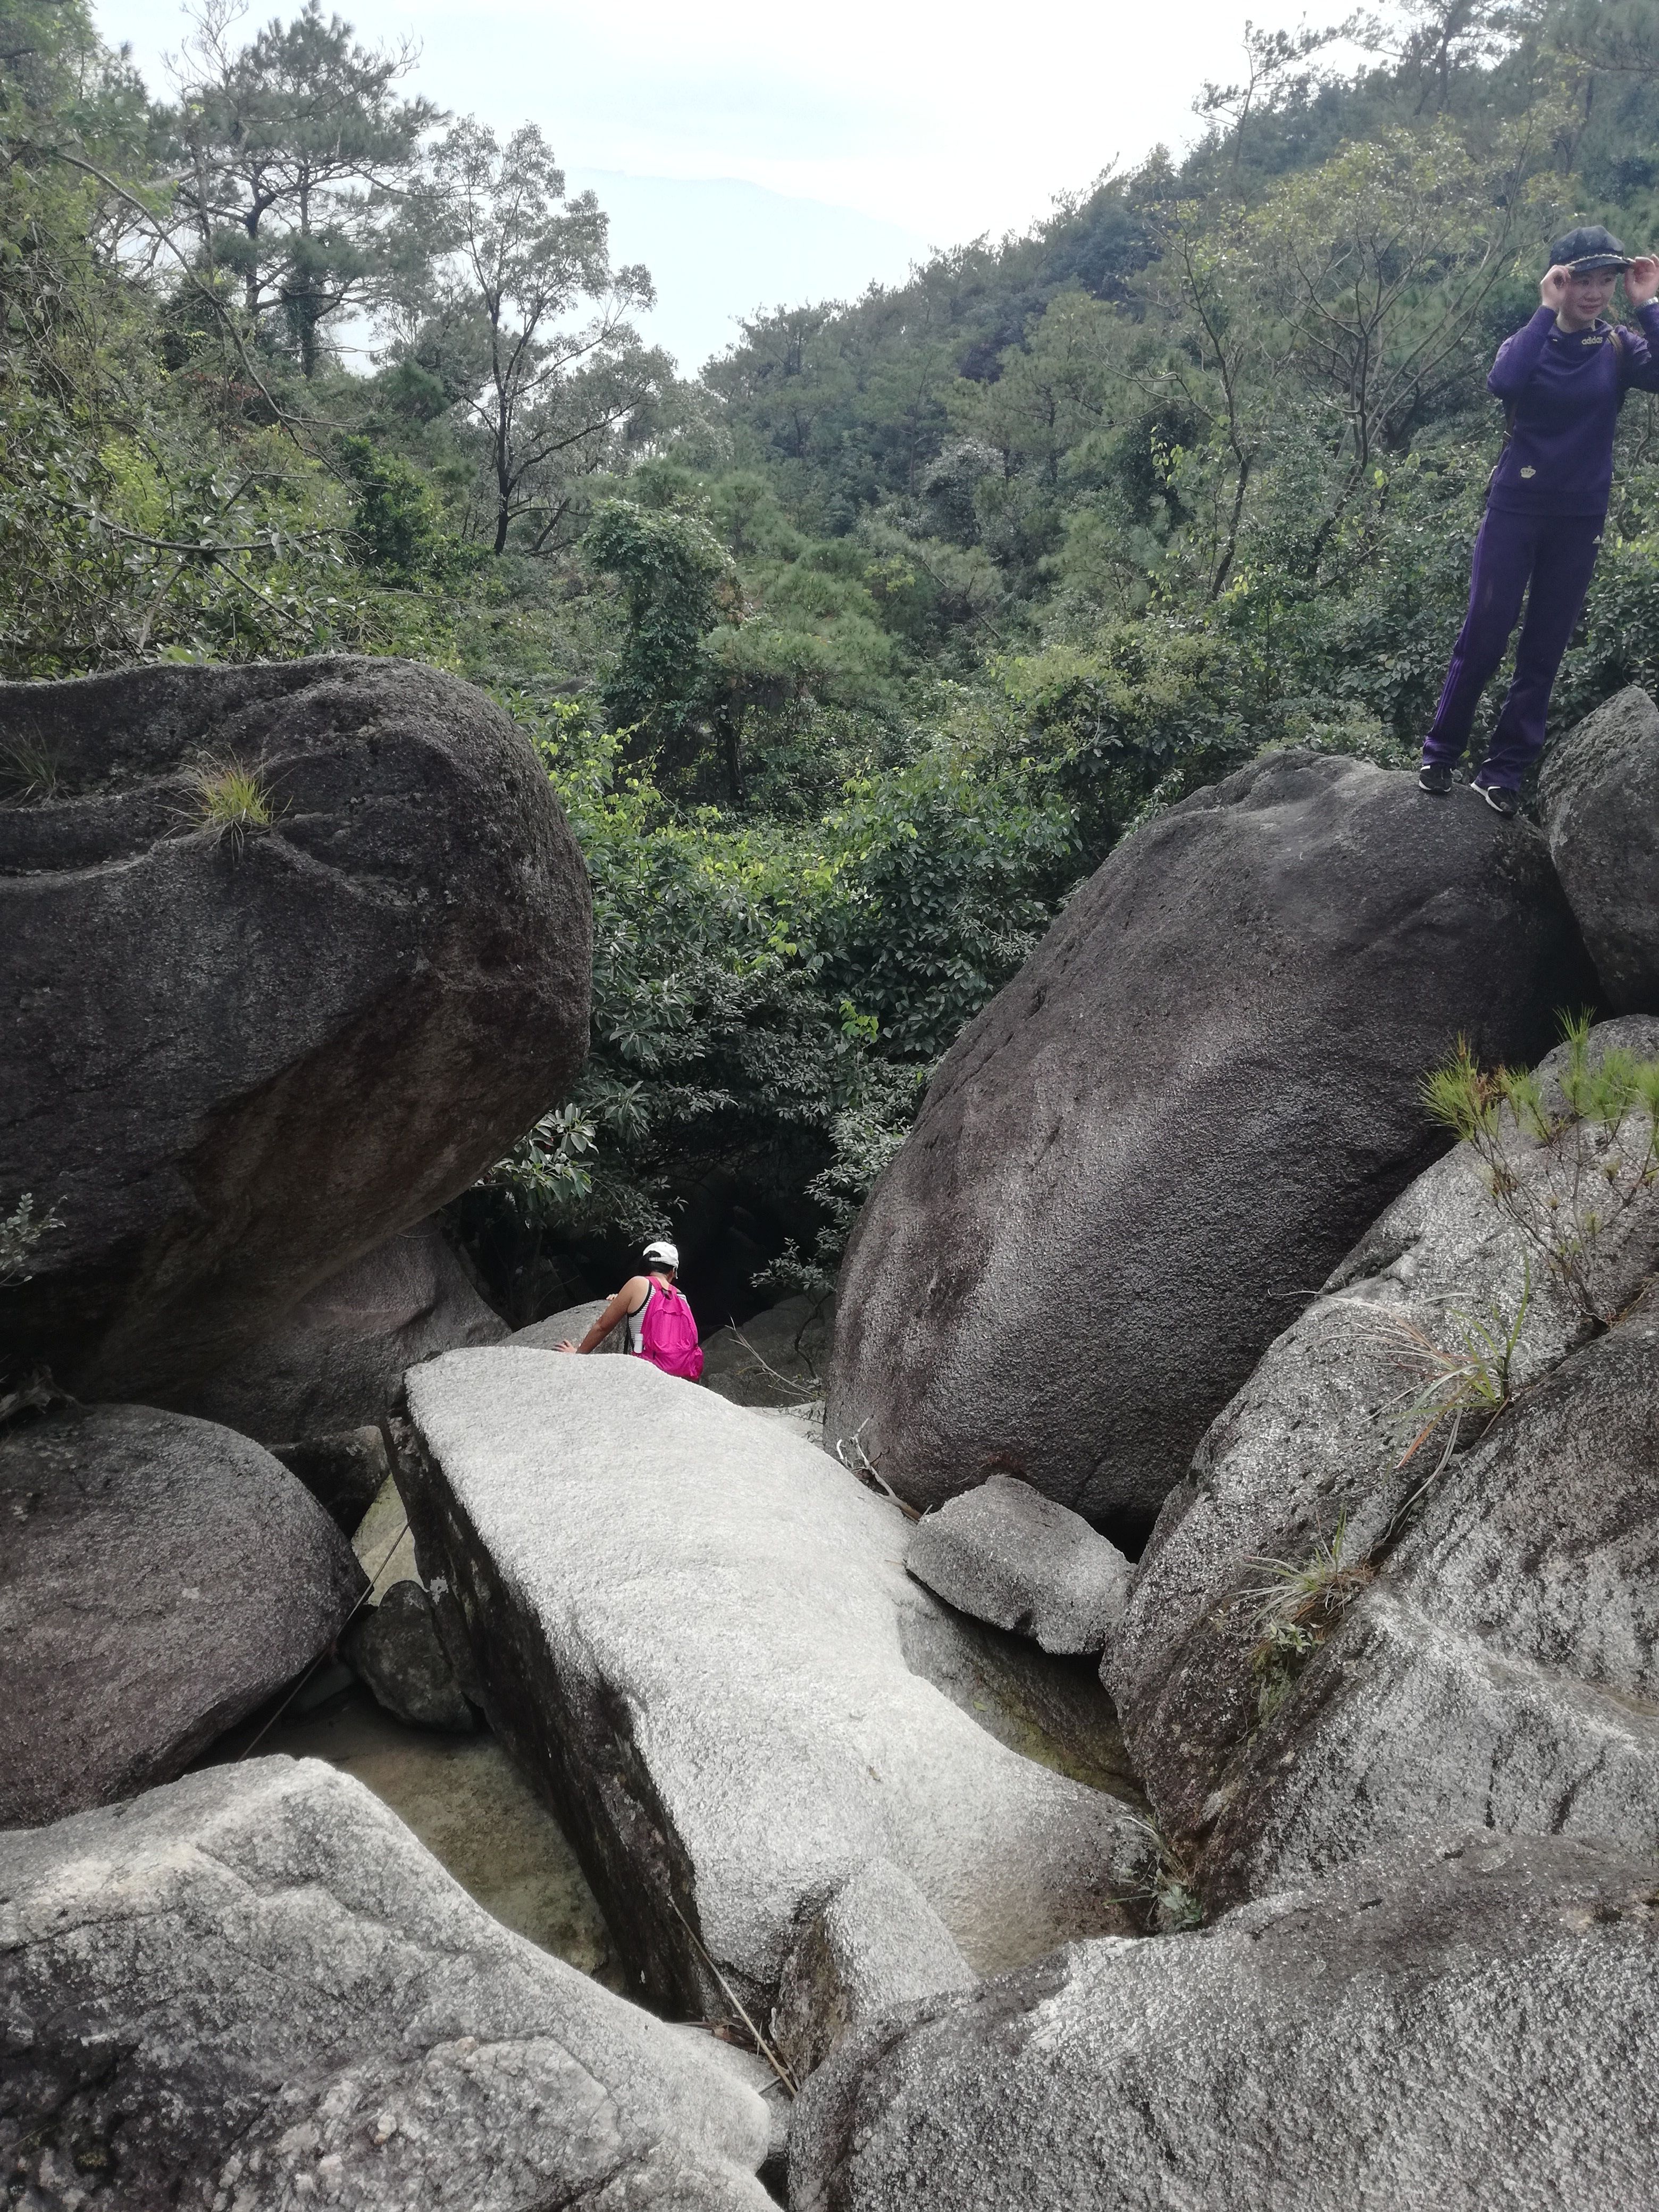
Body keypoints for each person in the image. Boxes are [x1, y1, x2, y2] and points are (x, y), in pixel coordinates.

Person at [1418, 225, 1659, 818]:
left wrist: (1648, 304)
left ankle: (1503, 771)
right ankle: (1440, 752)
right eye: (1584, 279)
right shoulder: (1529, 342)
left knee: (1544, 649)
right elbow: (1503, 381)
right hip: (1516, 508)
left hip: (1580, 517)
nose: (1597, 291)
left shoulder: (1618, 347)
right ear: (1559, 279)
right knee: (1485, 634)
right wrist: (1545, 312)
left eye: (1607, 280)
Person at [556, 1238, 705, 1379]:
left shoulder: (637, 1284)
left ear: (645, 1265)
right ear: (672, 1272)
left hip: (646, 1370)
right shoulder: (682, 1298)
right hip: (679, 1374)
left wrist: (578, 1354)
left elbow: (602, 1326)